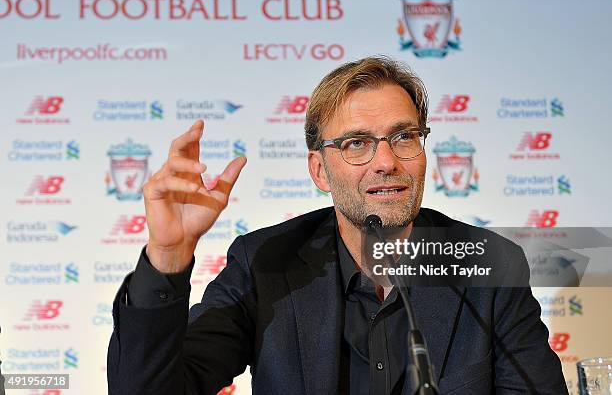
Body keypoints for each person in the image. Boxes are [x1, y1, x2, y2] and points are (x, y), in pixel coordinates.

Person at [107, 56, 568, 394]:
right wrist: (167, 257)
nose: (386, 162)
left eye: (404, 137)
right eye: (356, 143)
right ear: (320, 170)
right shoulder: (265, 265)